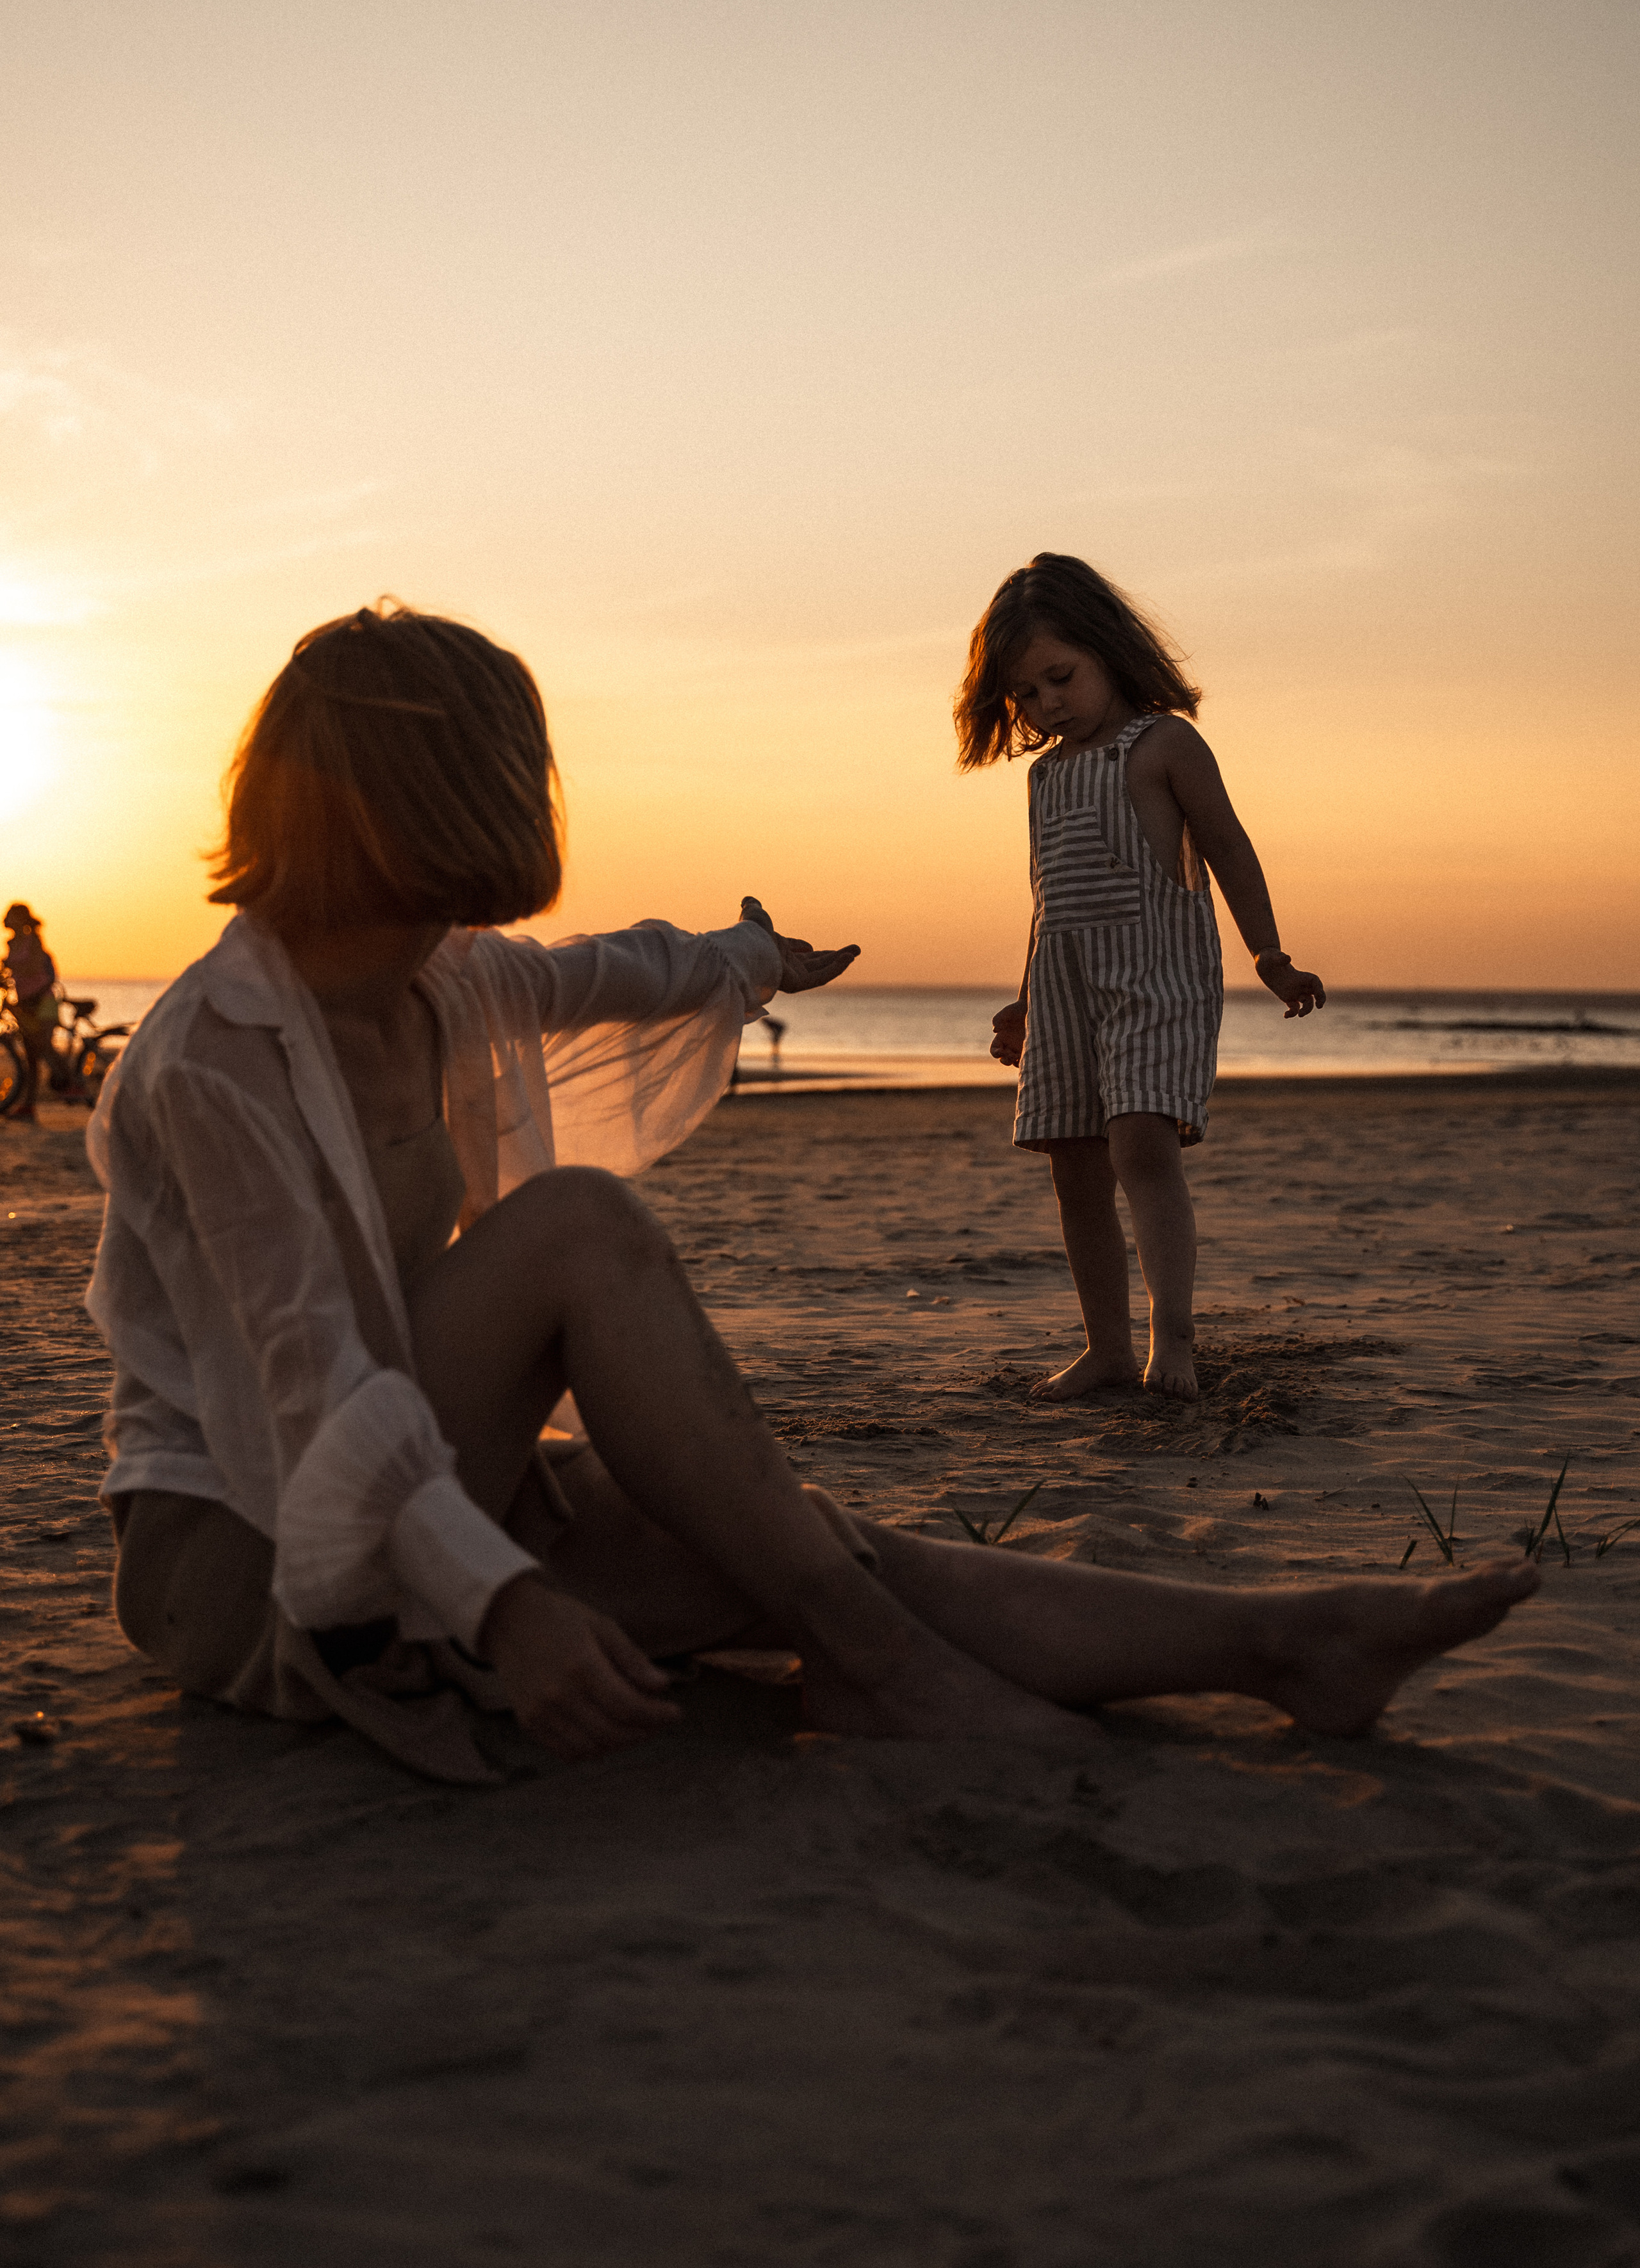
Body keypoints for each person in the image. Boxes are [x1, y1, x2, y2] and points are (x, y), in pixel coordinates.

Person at [86, 601, 1534, 1783]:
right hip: (254, 1550)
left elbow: (614, 968)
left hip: (433, 1455)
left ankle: (1284, 1643)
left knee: (802, 1542)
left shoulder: (440, 985)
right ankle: (887, 1668)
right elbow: (310, 1390)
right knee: (577, 1227)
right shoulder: (215, 1057)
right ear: (423, 797)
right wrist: (507, 1600)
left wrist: (752, 955)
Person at [956, 552, 1325, 1403]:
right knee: (1074, 1164)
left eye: (1061, 677)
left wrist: (1269, 956)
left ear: (1107, 650)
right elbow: (1049, 898)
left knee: (1139, 1148)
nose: (1048, 704)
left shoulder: (1162, 746)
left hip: (1157, 980)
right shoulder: (1045, 775)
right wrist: (1023, 999)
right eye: (1027, 695)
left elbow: (1228, 847)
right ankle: (1107, 1349)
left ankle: (1176, 1345)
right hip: (1066, 990)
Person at [4, 902, 62, 1117]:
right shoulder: (11, 943)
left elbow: (34, 967)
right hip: (25, 1003)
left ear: (20, 919)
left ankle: (72, 1084)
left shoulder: (33, 940)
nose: (5, 919)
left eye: (10, 915)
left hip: (43, 1001)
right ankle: (29, 1107)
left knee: (44, 1045)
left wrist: (10, 966)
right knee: (32, 1057)